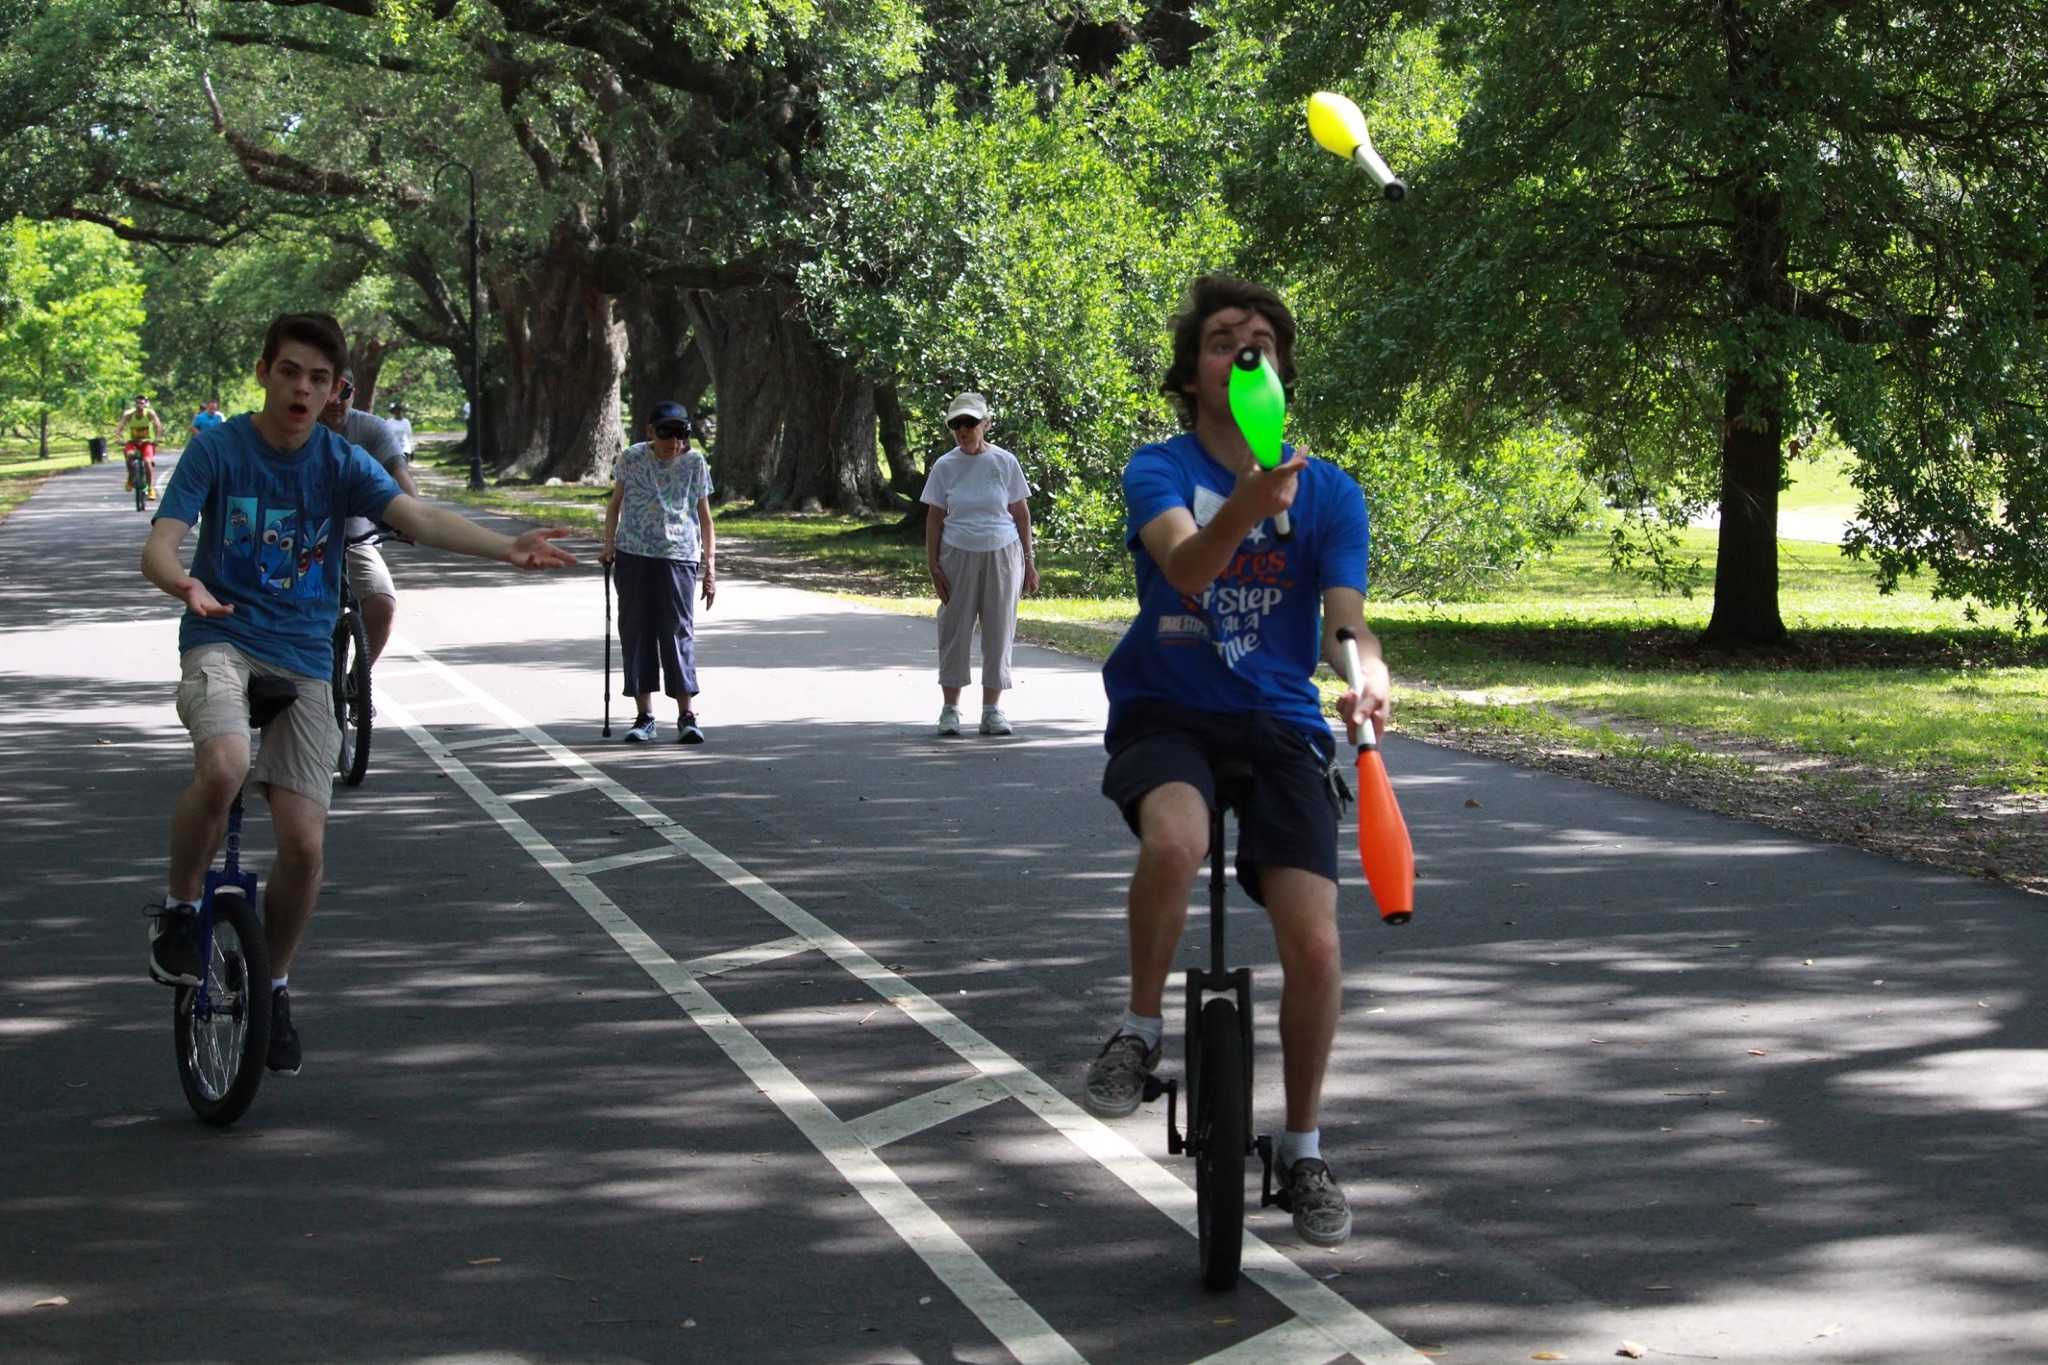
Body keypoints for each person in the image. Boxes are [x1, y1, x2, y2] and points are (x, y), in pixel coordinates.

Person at [142, 312, 575, 1076]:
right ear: (264, 373)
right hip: (221, 637)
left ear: (334, 389)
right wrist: (184, 581)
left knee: (305, 845)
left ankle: (273, 986)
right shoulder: (218, 449)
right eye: (289, 372)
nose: (302, 388)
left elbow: (420, 516)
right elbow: (161, 542)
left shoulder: (341, 462)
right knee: (223, 767)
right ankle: (179, 912)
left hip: (305, 656)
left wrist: (504, 545)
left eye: (318, 378)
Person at [1081, 275, 1390, 1250]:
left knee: (1317, 945)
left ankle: (1301, 1148)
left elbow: (1345, 621)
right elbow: (1184, 567)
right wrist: (1249, 504)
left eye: (1260, 337)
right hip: (1165, 707)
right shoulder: (1157, 470)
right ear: (1192, 374)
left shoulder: (1329, 491)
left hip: (1277, 722)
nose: (1243, 348)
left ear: (1281, 368)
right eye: (1221, 338)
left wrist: (1365, 676)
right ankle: (1137, 1026)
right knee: (1175, 839)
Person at [919, 392, 1036, 737]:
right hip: (957, 552)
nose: (963, 430)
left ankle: (992, 710)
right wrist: (934, 566)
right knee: (954, 629)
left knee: (1000, 630)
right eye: (956, 424)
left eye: (970, 423)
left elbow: (1021, 514)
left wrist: (1029, 562)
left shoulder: (1004, 462)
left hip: (1003, 552)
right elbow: (934, 519)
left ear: (985, 424)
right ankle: (950, 708)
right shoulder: (945, 466)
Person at [600, 400, 716, 744]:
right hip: (633, 554)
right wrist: (608, 545)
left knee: (677, 632)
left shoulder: (695, 463)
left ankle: (687, 715)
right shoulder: (632, 458)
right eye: (667, 433)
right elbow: (614, 506)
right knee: (637, 631)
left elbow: (706, 520)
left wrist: (710, 569)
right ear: (651, 431)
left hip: (678, 556)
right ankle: (644, 715)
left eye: (681, 434)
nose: (674, 442)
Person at [319, 364, 421, 666]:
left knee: (382, 603)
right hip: (303, 537)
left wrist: (412, 518)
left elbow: (399, 475)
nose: (337, 400)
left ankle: (357, 677)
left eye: (345, 391)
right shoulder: (299, 428)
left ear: (354, 391)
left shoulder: (372, 428)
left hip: (356, 537)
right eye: (329, 392)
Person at [113, 394, 165, 503]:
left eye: (142, 403)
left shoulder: (149, 414)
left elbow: (158, 426)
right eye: (137, 403)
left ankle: (151, 488)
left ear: (145, 404)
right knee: (129, 455)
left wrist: (158, 438)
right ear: (135, 404)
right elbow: (119, 427)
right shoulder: (129, 414)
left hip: (147, 443)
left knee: (147, 462)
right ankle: (130, 477)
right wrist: (118, 438)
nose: (139, 405)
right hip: (132, 442)